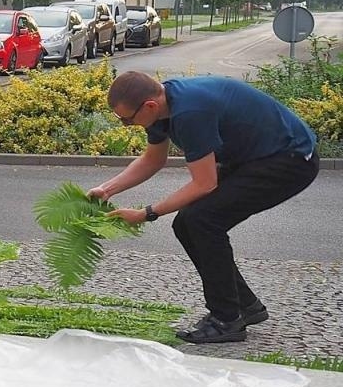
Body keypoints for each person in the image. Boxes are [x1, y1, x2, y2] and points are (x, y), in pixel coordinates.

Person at [90, 71, 318, 343]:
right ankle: (245, 305)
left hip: (290, 160)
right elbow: (152, 160)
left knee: (203, 221)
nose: (126, 125)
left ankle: (226, 320)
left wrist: (146, 213)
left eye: (127, 119)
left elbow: (204, 184)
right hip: (253, 157)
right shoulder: (161, 107)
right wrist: (107, 189)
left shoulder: (190, 112)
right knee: (186, 223)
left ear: (149, 105)